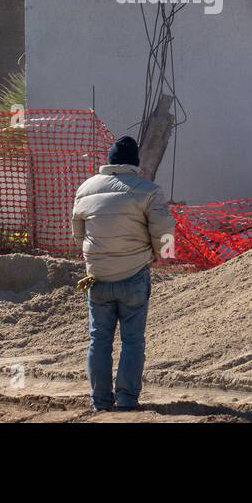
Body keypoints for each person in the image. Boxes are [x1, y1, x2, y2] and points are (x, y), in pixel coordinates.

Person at [71, 135, 175, 412]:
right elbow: (163, 228)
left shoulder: (85, 189)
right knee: (132, 341)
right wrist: (164, 256)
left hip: (98, 279)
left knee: (99, 340)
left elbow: (78, 235)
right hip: (134, 277)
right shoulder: (148, 190)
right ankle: (127, 401)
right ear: (134, 162)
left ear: (110, 160)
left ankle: (101, 403)